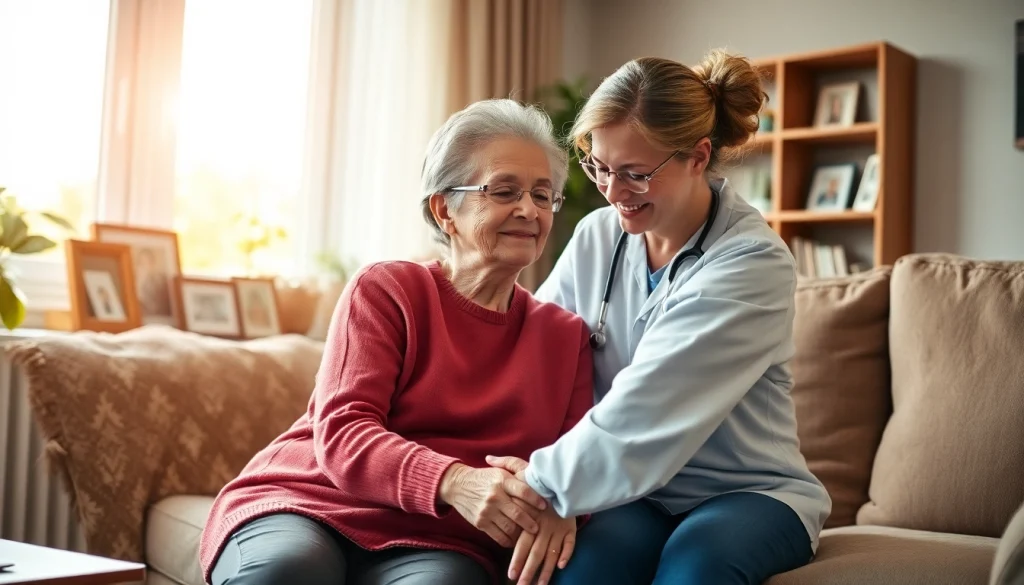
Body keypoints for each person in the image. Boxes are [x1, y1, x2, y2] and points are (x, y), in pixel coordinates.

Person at [198, 99, 594, 585]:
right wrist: (455, 480)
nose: (528, 210)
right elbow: (343, 430)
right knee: (290, 570)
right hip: (313, 501)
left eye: (542, 194)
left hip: (439, 540)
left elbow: (585, 459)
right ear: (444, 208)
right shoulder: (389, 289)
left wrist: (564, 504)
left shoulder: (565, 337)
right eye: (505, 190)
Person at [486, 50, 832, 585]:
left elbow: (650, 408)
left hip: (747, 492)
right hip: (636, 494)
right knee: (577, 573)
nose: (613, 191)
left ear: (698, 156)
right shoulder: (598, 237)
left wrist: (543, 484)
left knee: (694, 568)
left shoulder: (752, 263)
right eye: (599, 166)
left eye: (636, 174)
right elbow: (539, 353)